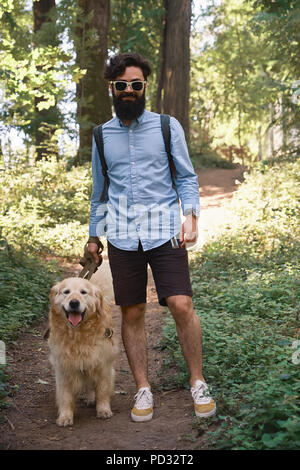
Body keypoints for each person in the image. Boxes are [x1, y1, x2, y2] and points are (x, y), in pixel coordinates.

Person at [87, 52, 216, 422]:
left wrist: (190, 215)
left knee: (180, 304)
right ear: (112, 88)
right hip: (122, 236)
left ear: (145, 86)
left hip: (164, 231)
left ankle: (197, 381)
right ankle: (143, 388)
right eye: (122, 85)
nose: (129, 91)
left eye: (136, 84)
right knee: (132, 311)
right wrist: (94, 238)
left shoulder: (166, 126)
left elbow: (187, 178)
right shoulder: (100, 135)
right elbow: (99, 192)